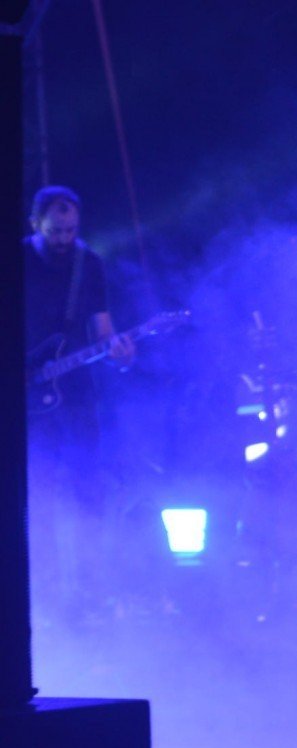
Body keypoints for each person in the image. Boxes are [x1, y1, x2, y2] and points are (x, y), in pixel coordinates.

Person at [23, 186, 134, 614]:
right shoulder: (17, 260)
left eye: (71, 230)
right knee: (39, 494)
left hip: (75, 394)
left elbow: (103, 332)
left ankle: (89, 594)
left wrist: (121, 355)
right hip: (26, 398)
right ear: (36, 223)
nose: (64, 238)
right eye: (55, 230)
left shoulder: (89, 265)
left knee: (88, 489)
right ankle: (42, 597)